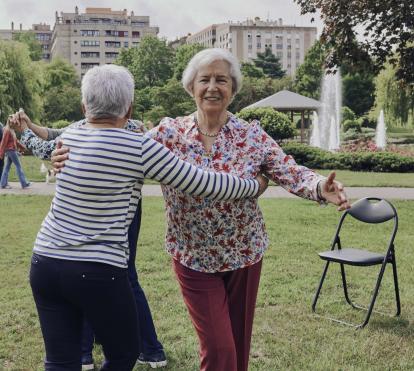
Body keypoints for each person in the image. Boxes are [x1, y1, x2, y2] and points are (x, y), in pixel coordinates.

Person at [52, 49, 350, 371]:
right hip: (193, 258)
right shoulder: (169, 134)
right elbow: (116, 150)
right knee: (220, 348)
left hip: (244, 254)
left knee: (237, 346)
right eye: (204, 79)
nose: (212, 87)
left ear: (232, 89)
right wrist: (66, 155)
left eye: (221, 80)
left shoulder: (251, 135)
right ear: (190, 87)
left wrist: (320, 186)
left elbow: (290, 171)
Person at [24, 64, 267, 371]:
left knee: (60, 361)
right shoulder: (138, 147)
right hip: (99, 269)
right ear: (130, 109)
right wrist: (255, 184)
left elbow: (46, 145)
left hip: (45, 262)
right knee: (124, 354)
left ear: (84, 107)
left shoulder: (72, 135)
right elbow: (207, 184)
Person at [13, 114, 167, 369]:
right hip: (121, 213)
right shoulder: (132, 132)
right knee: (117, 275)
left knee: (91, 271)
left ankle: (87, 353)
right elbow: (53, 133)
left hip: (102, 221)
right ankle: (150, 350)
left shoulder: (81, 132)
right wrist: (29, 127)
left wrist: (26, 132)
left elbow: (50, 141)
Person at [0, 117, 30, 189]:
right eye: (12, 122)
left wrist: (23, 147)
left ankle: (3, 184)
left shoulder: (11, 130)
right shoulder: (7, 130)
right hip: (10, 150)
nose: (13, 123)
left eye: (13, 122)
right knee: (18, 166)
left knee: (7, 167)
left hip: (11, 150)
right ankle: (24, 183)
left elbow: (15, 141)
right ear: (8, 121)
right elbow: (3, 142)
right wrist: (1, 153)